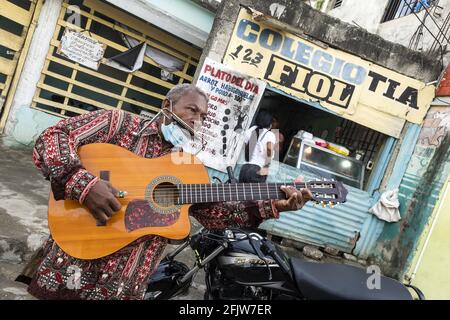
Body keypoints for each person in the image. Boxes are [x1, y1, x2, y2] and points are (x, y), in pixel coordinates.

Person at [18, 84, 311, 300]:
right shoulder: (120, 125)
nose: (197, 119)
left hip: (125, 282)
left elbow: (216, 214)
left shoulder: (187, 164)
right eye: (192, 109)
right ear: (167, 105)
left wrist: (275, 205)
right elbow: (53, 137)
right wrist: (85, 184)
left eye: (203, 117)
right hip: (76, 261)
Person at [239, 110, 276, 183]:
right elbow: (269, 149)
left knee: (241, 193)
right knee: (254, 193)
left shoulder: (250, 130)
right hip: (258, 169)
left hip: (245, 168)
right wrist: (266, 167)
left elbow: (246, 147)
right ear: (269, 123)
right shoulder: (269, 135)